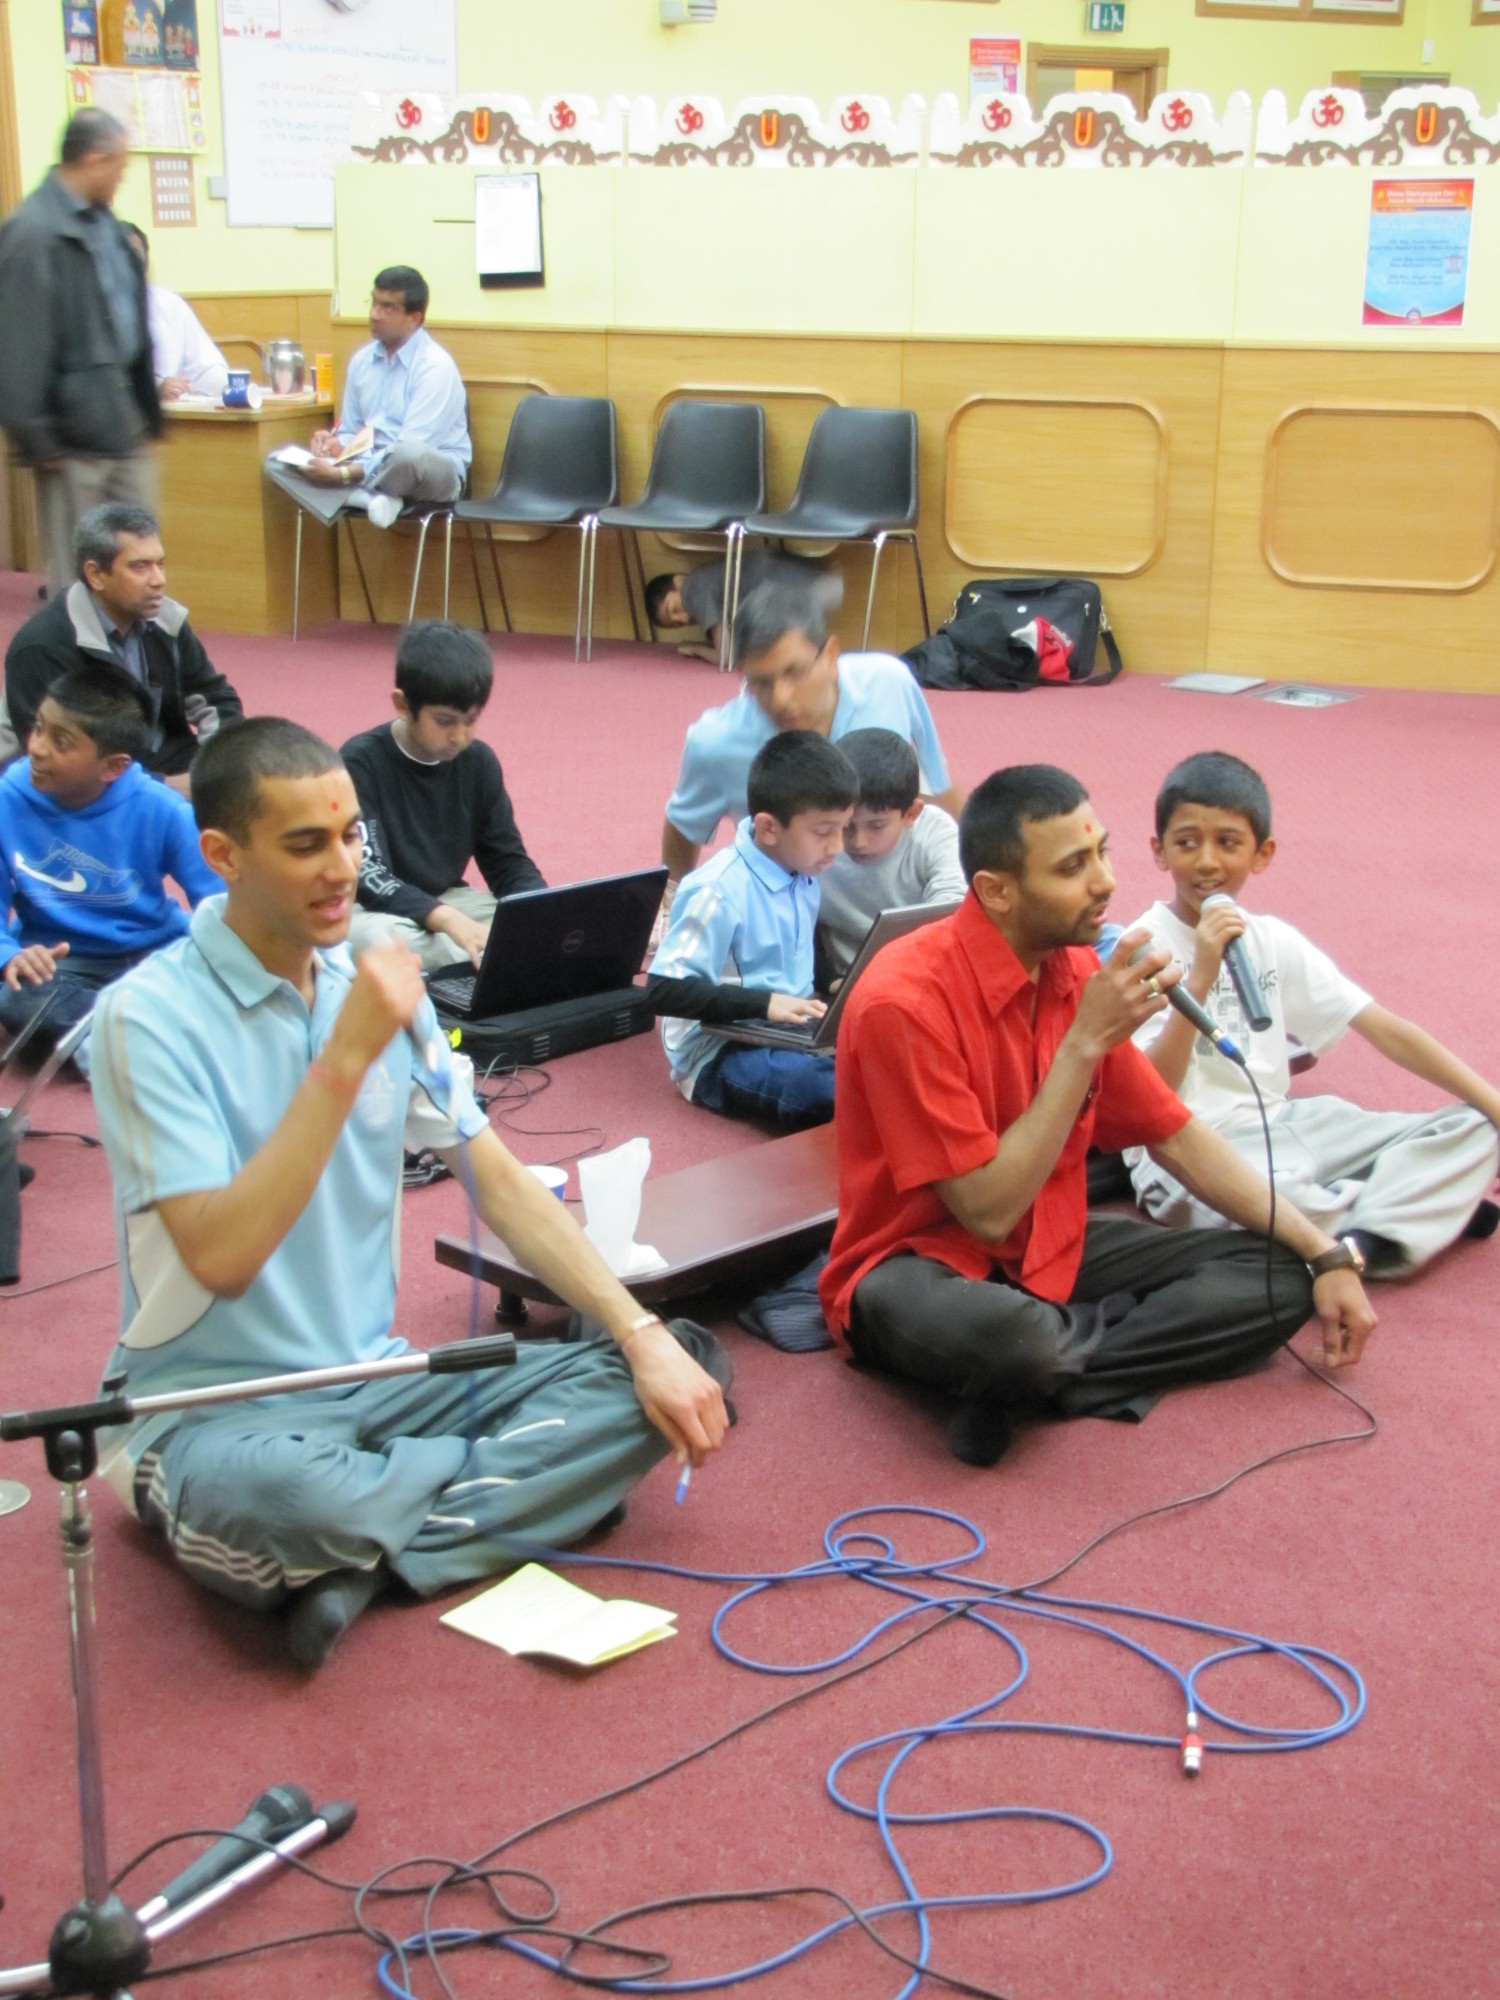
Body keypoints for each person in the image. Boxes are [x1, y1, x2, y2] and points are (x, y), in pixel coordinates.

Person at [89, 718, 730, 1669]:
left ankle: (366, 1560)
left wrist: (636, 1335)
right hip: (210, 1416)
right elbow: (222, 1258)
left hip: (382, 1383)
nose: (342, 867)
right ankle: (456, 1511)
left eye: (351, 836)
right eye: (305, 844)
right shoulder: (145, 1020)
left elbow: (499, 1182)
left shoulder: (379, 979)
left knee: (678, 1365)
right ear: (221, 855)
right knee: (290, 1506)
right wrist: (346, 1053)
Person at [819, 764, 1377, 1468]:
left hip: (1047, 1244)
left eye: (1103, 852)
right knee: (1010, 1339)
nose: (1106, 882)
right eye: (1074, 867)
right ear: (996, 891)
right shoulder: (903, 1001)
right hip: (914, 1261)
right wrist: (1084, 1043)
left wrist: (1323, 1251)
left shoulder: (1074, 967)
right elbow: (985, 1213)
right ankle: (1036, 1360)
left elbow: (1174, 1134)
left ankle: (1036, 1378)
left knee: (1281, 1274)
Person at [1125, 750, 1500, 1278]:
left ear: (1262, 853)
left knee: (1475, 1126)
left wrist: (1496, 1106)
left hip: (1286, 1122)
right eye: (1187, 843)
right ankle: (1401, 1218)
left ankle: (1376, 1220)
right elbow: (1149, 1097)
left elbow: (1386, 1030)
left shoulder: (1271, 938)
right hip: (1196, 1148)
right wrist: (1201, 976)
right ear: (1159, 851)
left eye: (1227, 843)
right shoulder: (1139, 949)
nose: (1207, 861)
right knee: (1271, 1198)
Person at [657, 572, 963, 931]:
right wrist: (670, 903)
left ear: (831, 655)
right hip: (799, 923)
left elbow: (936, 783)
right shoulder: (715, 742)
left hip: (898, 904)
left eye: (794, 672)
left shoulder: (889, 682)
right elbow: (684, 825)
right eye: (760, 681)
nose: (781, 698)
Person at [0, 664, 220, 1075]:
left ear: (113, 766)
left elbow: (220, 902)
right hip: (62, 963)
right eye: (39, 728)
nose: (37, 747)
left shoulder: (162, 809)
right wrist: (9, 955)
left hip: (153, 952)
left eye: (60, 742)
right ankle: (142, 1035)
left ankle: (113, 1037)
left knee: (225, 983)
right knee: (15, 1002)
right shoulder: (6, 800)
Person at [647, 731, 856, 1129]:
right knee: (822, 1089)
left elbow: (800, 941)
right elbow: (662, 990)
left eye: (843, 828)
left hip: (787, 1028)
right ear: (768, 828)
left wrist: (832, 982)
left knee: (895, 1052)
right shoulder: (718, 890)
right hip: (718, 1048)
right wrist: (763, 1004)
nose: (839, 846)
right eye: (825, 831)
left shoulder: (802, 867)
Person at [0, 111, 159, 598]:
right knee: (80, 584)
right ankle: (73, 674)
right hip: (71, 442)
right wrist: (40, 437)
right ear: (94, 159)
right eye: (120, 166)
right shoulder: (33, 233)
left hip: (124, 426)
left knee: (140, 573)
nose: (121, 177)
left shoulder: (107, 226)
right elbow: (18, 344)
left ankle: (135, 673)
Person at [343, 621, 543, 971]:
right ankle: (504, 958)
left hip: (451, 901)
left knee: (534, 925)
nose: (460, 736)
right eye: (445, 721)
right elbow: (365, 873)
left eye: (471, 719)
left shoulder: (479, 762)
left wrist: (545, 909)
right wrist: (444, 918)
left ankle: (496, 955)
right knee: (372, 941)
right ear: (402, 705)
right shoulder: (359, 763)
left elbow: (507, 862)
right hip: (379, 910)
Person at [0, 503, 243, 786]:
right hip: (82, 786)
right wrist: (164, 789)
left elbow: (216, 699)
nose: (159, 580)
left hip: (160, 760)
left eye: (160, 564)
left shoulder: (167, 621)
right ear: (95, 575)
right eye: (140, 567)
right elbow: (58, 760)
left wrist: (215, 770)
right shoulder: (41, 648)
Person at [266, 264, 470, 531]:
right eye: (373, 303)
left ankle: (358, 492)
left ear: (414, 318)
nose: (374, 314)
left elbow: (414, 447)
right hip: (367, 465)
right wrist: (335, 445)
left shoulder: (435, 367)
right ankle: (373, 500)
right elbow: (354, 431)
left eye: (388, 308)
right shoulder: (361, 362)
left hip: (429, 473)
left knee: (406, 455)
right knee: (277, 462)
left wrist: (344, 473)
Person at [816, 728, 967, 984]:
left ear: (911, 814)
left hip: (924, 974)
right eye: (847, 825)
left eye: (876, 826)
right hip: (840, 983)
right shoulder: (816, 836)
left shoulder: (935, 832)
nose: (857, 842)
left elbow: (954, 910)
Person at [644, 553, 829, 663]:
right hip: (814, 580)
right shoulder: (704, 581)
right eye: (678, 625)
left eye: (674, 609)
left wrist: (695, 649)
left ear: (679, 580)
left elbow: (727, 658)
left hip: (808, 589)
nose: (684, 619)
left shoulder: (694, 588)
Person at [121, 220, 229, 402]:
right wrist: (153, 390)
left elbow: (204, 369)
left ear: (146, 265)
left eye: (135, 258)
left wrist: (232, 387)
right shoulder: (90, 309)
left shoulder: (168, 304)